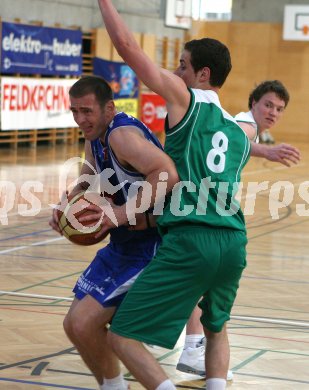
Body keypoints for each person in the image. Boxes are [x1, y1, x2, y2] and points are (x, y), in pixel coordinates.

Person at [95, 1, 251, 389]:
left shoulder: (186, 99)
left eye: (182, 65)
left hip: (189, 239)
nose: (176, 71)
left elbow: (128, 47)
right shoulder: (239, 134)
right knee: (216, 330)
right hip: (233, 241)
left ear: (203, 74)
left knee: (120, 335)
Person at [49, 75, 179, 390]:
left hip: (149, 245)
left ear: (109, 108)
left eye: (86, 111)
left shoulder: (122, 135)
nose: (80, 119)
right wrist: (70, 200)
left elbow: (168, 173)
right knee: (73, 325)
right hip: (122, 245)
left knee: (87, 323)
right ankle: (114, 386)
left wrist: (120, 213)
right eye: (74, 111)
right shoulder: (96, 133)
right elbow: (91, 170)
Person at [176, 79, 300, 379]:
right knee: (198, 279)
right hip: (197, 207)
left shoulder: (244, 125)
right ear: (253, 103)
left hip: (196, 204)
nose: (272, 112)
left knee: (195, 279)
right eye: (268, 104)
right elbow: (238, 137)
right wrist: (265, 152)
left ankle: (191, 344)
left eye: (279, 109)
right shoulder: (246, 123)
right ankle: (192, 347)